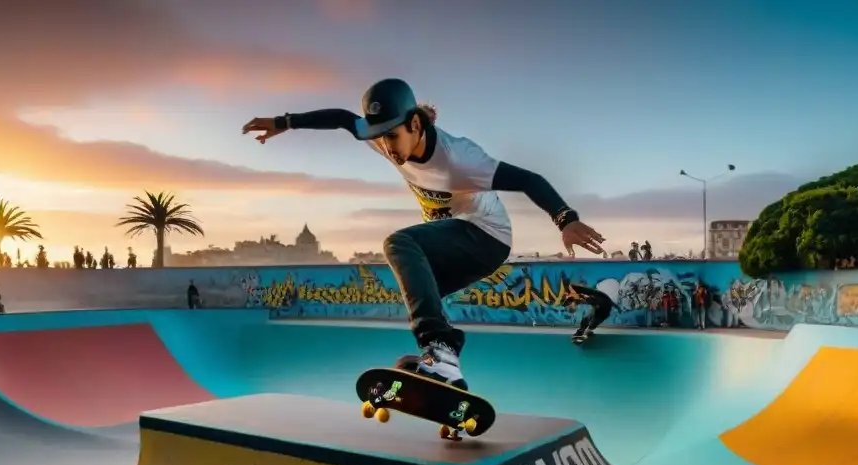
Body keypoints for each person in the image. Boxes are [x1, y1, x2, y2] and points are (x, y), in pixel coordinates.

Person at [242, 78, 605, 389]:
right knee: (418, 292)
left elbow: (529, 179)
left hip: (486, 237)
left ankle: (439, 348)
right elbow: (341, 118)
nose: (386, 147)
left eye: (392, 137)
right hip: (455, 242)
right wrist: (283, 122)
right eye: (379, 138)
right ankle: (445, 367)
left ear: (416, 125)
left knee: (399, 243)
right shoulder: (384, 135)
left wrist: (565, 218)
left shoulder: (460, 160)